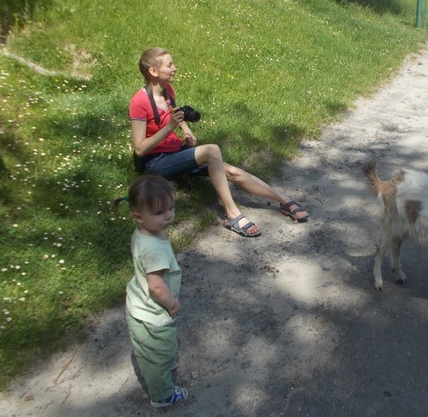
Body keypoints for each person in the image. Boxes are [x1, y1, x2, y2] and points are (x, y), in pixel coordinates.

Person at [129, 48, 309, 237]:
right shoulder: (139, 102)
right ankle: (232, 214)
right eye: (170, 65)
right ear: (153, 72)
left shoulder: (167, 90)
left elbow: (175, 113)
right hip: (157, 162)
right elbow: (140, 149)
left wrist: (186, 130)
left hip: (177, 153)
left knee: (231, 171)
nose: (175, 68)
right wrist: (168, 128)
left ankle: (285, 201)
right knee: (212, 150)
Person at [111, 175, 188, 408]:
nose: (168, 215)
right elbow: (155, 285)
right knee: (156, 357)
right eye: (159, 213)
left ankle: (166, 359)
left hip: (140, 302)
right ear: (138, 216)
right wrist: (171, 304)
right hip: (152, 313)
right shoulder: (153, 249)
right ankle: (162, 395)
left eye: (171, 208)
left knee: (163, 346)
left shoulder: (146, 232)